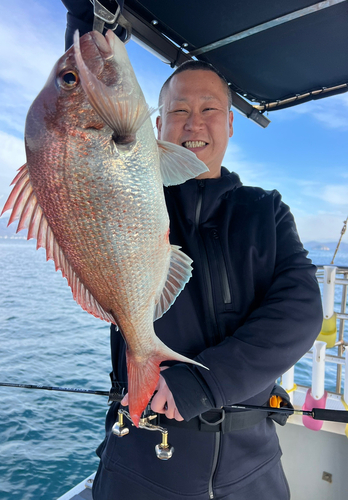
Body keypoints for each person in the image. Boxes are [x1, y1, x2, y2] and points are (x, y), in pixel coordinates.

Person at [61, 3, 323, 499]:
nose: (193, 123)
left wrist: (207, 383)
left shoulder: (265, 210)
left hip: (252, 469)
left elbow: (300, 310)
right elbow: (80, 126)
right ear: (154, 124)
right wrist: (84, 25)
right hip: (140, 460)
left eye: (208, 110)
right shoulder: (132, 189)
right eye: (179, 110)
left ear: (229, 124)